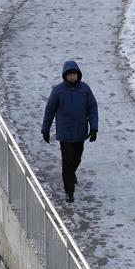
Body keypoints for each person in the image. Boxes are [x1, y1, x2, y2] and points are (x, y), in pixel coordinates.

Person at [41, 60, 98, 203]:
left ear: (78, 75)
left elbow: (92, 109)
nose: (72, 77)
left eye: (74, 74)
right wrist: (45, 129)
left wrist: (94, 128)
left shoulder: (85, 90)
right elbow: (49, 111)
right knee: (67, 162)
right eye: (69, 75)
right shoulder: (58, 91)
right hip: (65, 134)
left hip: (80, 133)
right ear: (65, 76)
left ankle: (71, 175)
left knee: (76, 158)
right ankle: (69, 191)